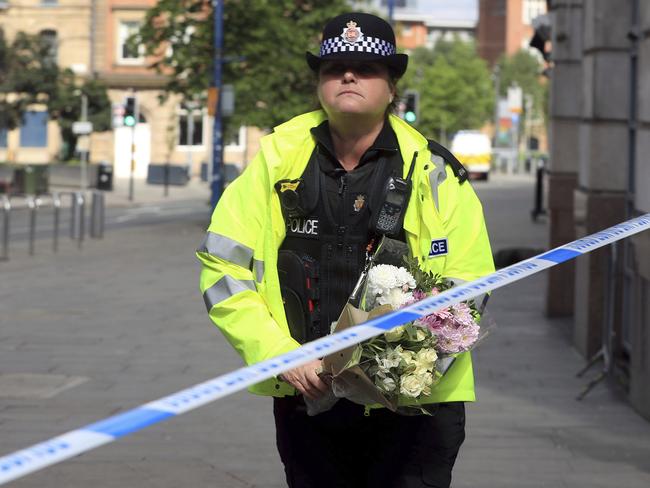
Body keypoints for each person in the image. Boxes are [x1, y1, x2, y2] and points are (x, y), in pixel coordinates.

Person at [197, 11, 494, 488]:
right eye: (335, 68)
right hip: (308, 396)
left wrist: (404, 369)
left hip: (414, 405)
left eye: (366, 68)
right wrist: (280, 355)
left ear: (392, 87)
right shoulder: (276, 160)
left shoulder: (436, 173)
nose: (348, 75)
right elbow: (222, 267)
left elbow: (471, 285)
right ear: (319, 83)